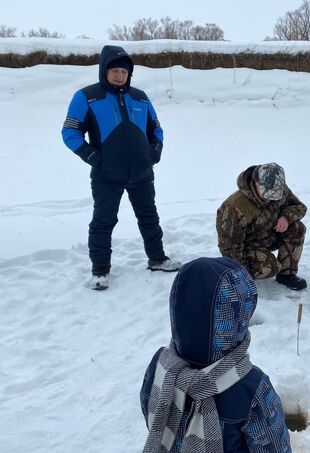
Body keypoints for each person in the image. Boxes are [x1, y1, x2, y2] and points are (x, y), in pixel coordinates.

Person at [140, 257, 291, 452]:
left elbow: (152, 418)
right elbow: (275, 446)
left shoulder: (160, 367)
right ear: (238, 316)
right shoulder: (251, 387)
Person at [61, 45, 180, 290]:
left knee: (149, 216)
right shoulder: (87, 97)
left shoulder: (140, 97)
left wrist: (154, 152)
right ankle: (100, 270)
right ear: (104, 71)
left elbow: (156, 128)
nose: (119, 75)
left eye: (124, 71)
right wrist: (91, 156)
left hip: (141, 172)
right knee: (103, 221)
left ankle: (157, 258)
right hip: (107, 174)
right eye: (114, 70)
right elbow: (70, 131)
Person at [216, 163, 308, 291]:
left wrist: (286, 217)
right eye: (267, 195)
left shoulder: (279, 188)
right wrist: (242, 277)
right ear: (257, 183)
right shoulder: (236, 206)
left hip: (269, 235)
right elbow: (229, 248)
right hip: (246, 247)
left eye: (274, 195)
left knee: (297, 228)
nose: (270, 199)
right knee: (270, 267)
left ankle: (287, 275)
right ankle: (243, 276)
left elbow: (299, 207)